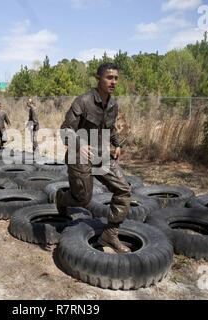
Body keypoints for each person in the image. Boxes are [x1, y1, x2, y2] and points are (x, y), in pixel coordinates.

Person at [56, 63, 131, 253]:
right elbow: (65, 129)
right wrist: (79, 144)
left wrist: (118, 144)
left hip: (101, 153)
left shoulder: (113, 105)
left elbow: (110, 128)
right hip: (78, 154)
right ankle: (62, 198)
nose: (113, 81)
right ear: (99, 79)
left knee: (123, 190)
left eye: (115, 78)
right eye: (109, 77)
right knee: (83, 200)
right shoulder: (83, 101)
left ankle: (110, 234)